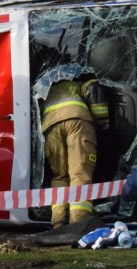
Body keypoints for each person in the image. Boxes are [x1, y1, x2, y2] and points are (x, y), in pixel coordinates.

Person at [41, 74, 109, 228]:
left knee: (60, 176)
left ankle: (58, 222)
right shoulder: (76, 85)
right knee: (80, 173)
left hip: (50, 128)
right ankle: (79, 222)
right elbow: (94, 90)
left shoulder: (44, 89)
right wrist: (103, 123)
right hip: (78, 123)